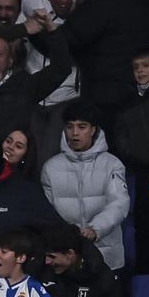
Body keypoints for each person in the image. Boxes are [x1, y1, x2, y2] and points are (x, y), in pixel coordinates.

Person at [38, 100, 128, 271]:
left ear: (93, 130)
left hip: (106, 258)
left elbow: (119, 204)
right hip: (65, 260)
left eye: (82, 127)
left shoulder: (112, 164)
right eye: (70, 126)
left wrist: (96, 229)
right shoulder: (50, 168)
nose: (75, 133)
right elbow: (47, 213)